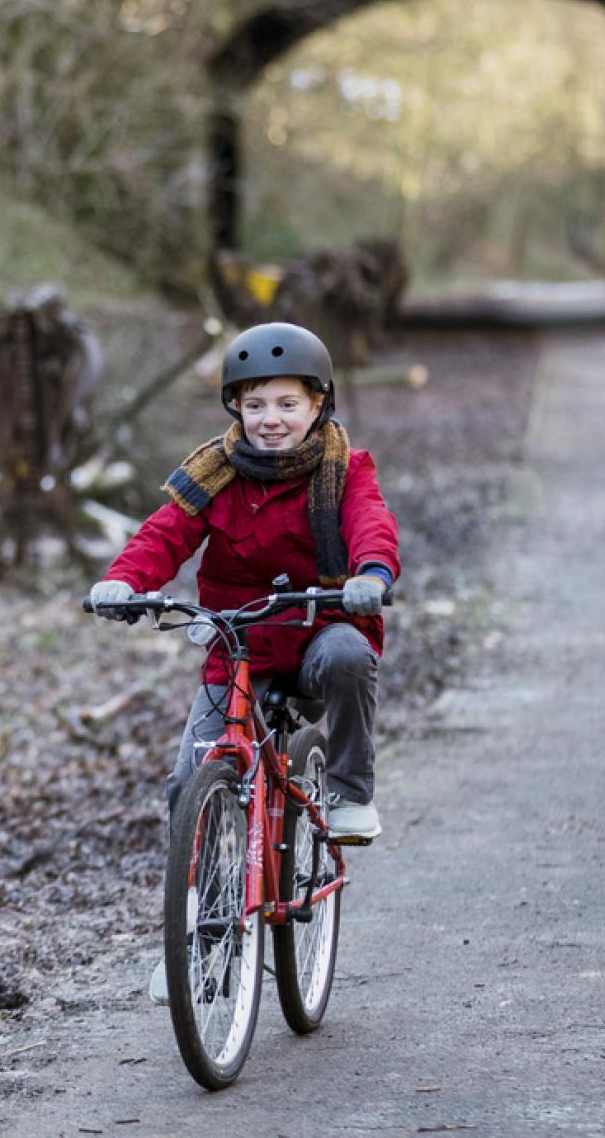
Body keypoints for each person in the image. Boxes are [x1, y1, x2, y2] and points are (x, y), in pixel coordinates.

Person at [88, 322, 399, 1001]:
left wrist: (371, 571)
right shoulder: (213, 473)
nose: (271, 420)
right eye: (255, 405)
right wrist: (123, 581)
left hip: (321, 627)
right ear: (235, 408)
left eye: (288, 404)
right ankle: (200, 942)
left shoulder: (346, 469)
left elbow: (370, 521)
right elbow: (163, 535)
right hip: (237, 644)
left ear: (319, 405)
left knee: (350, 656)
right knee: (187, 781)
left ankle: (351, 792)